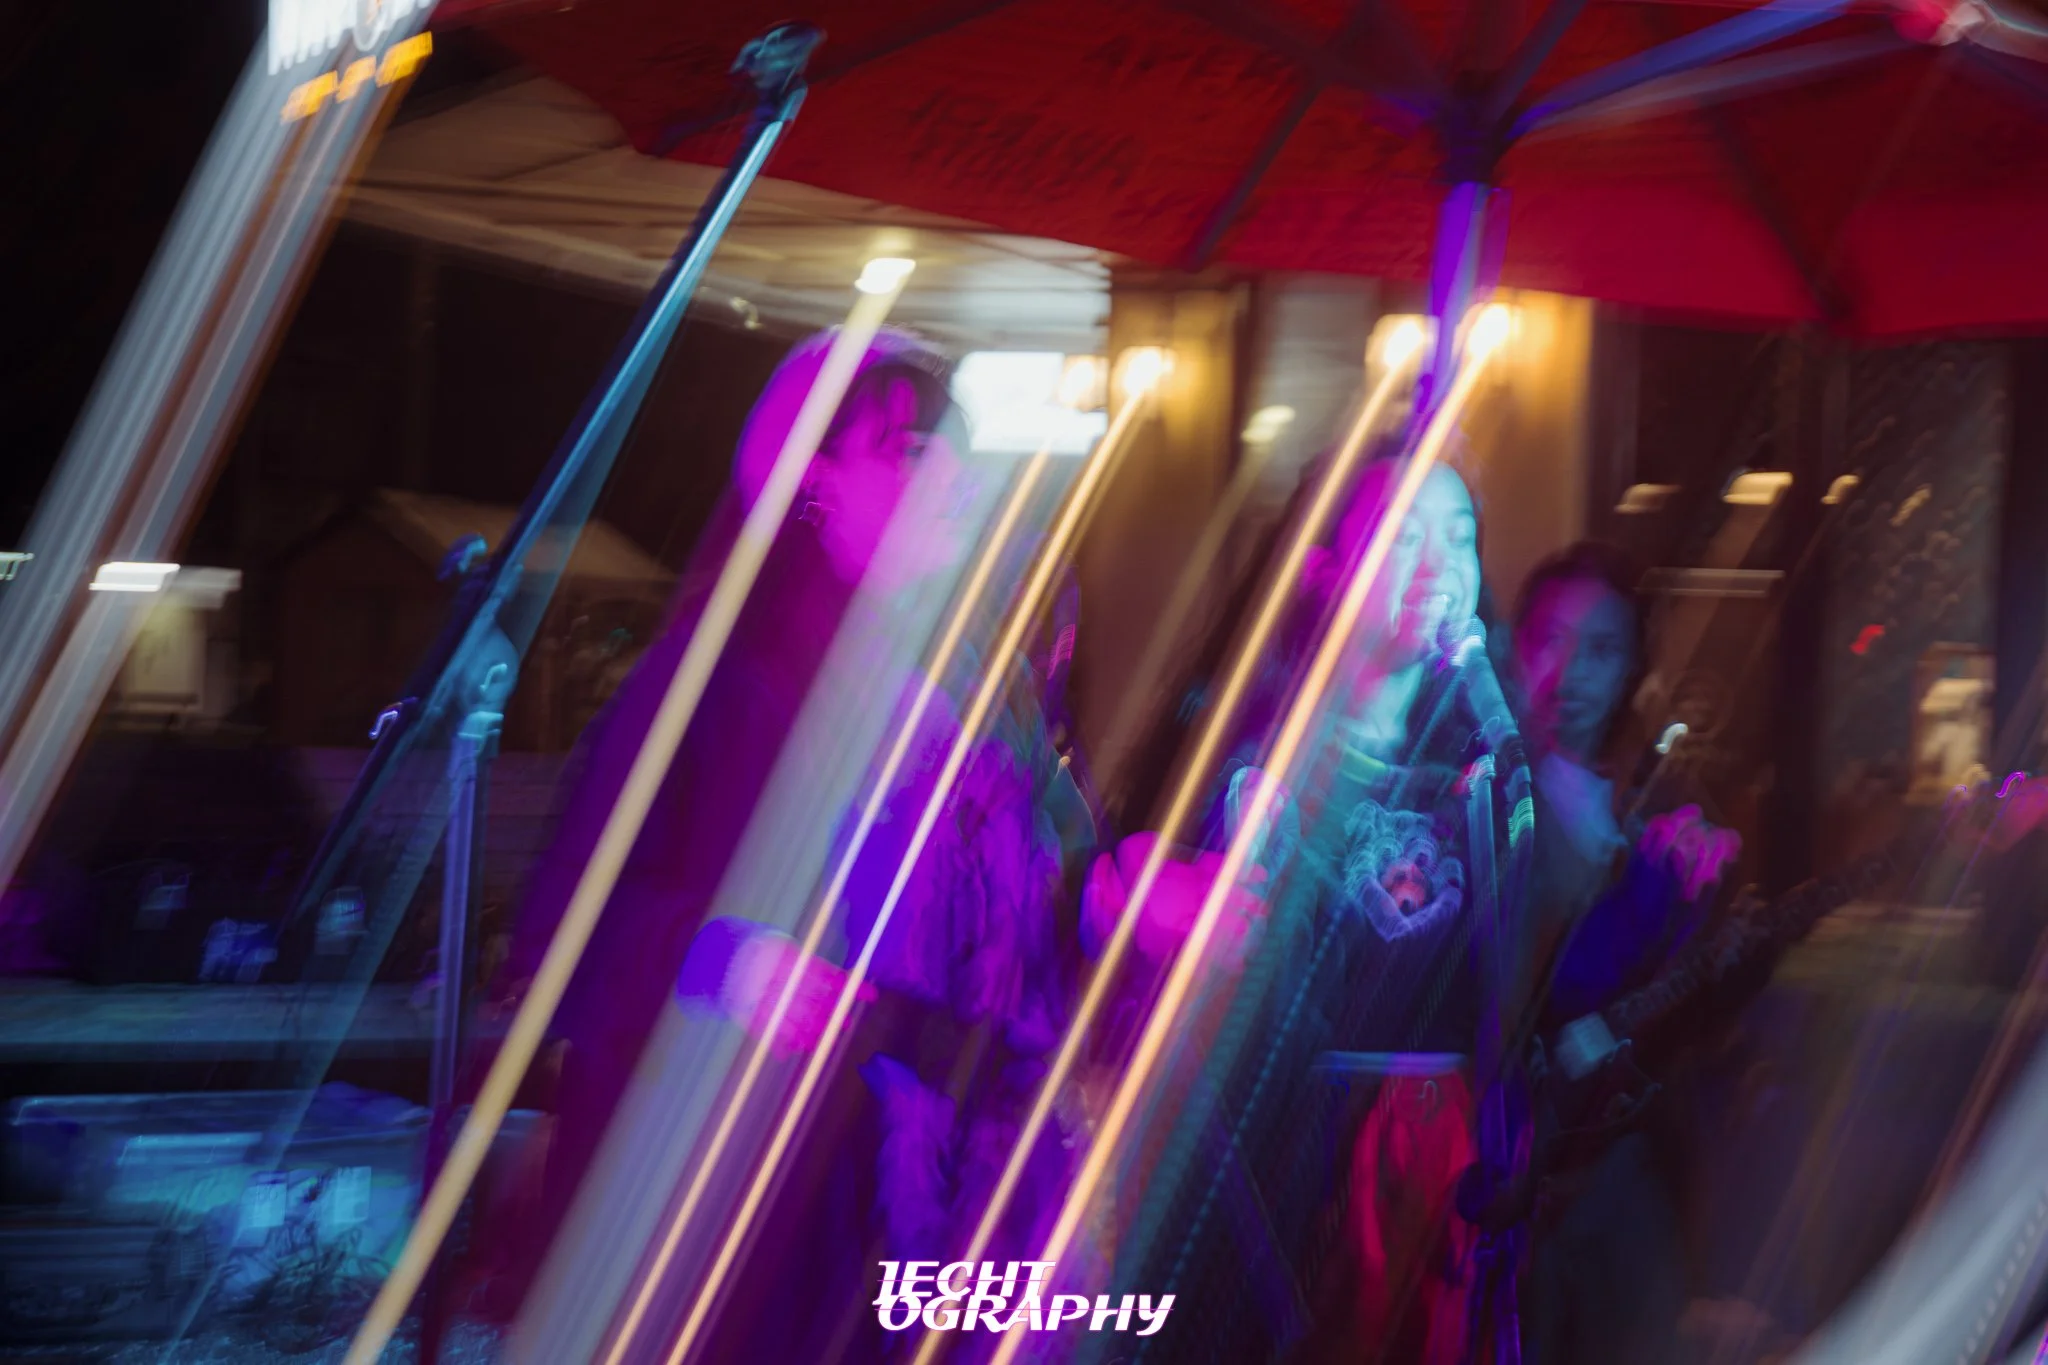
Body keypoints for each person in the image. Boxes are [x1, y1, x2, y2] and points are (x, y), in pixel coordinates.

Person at [483, 327, 1029, 1327]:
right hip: (717, 1219)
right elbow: (563, 917)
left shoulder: (953, 701)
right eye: (910, 452)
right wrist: (720, 962)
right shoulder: (707, 683)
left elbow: (1003, 933)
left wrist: (1108, 906)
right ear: (811, 479)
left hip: (880, 1209)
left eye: (956, 452)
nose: (954, 480)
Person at [1091, 453, 1509, 1364]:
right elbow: (1113, 911)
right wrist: (1135, 896)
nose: (1439, 564)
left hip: (1423, 1186)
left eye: (1460, 536)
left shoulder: (1483, 776)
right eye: (1401, 536)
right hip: (1264, 1176)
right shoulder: (1240, 757)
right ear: (1323, 567)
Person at [1501, 541, 1740, 1365]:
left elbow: (1700, 1010)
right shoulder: (1482, 796)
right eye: (1550, 639)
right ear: (1515, 645)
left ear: (1632, 665)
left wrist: (1705, 897)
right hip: (1513, 1166)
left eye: (1601, 649)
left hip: (1629, 1168)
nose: (1570, 673)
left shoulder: (1661, 808)